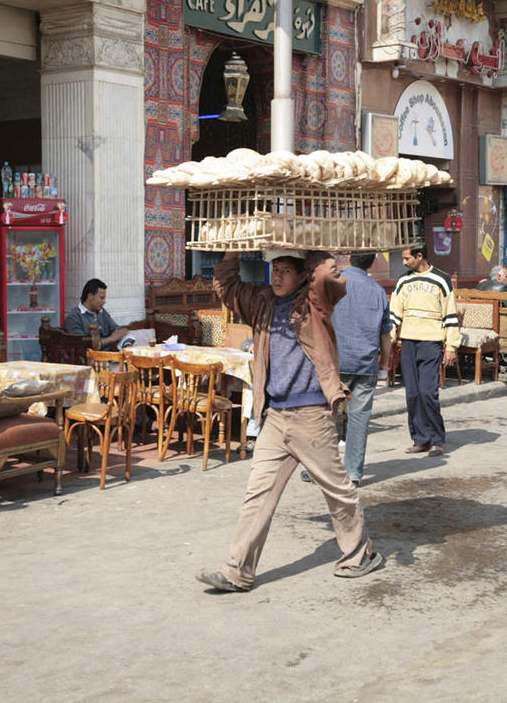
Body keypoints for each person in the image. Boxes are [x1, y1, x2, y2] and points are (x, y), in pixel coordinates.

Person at [196, 249, 383, 593]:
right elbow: (227, 285)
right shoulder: (262, 303)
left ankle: (361, 554)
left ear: (301, 276)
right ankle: (238, 571)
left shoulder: (316, 302)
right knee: (258, 494)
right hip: (275, 416)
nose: (277, 277)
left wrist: (305, 242)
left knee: (337, 490)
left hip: (311, 413)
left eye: (285, 271)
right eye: (273, 270)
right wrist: (233, 250)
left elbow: (328, 274)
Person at [389, 245, 461, 457]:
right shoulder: (403, 281)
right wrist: (389, 341)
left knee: (428, 392)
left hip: (431, 343)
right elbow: (394, 314)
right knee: (412, 393)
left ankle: (437, 439)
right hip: (409, 342)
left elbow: (450, 315)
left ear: (419, 256)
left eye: (406, 258)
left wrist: (451, 347)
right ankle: (421, 439)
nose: (404, 263)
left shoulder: (442, 279)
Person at [330, 252, 392, 486]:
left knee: (327, 417)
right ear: (373, 262)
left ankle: (321, 469)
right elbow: (385, 334)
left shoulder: (335, 284)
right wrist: (385, 366)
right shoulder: (377, 292)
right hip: (366, 364)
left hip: (335, 362)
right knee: (359, 419)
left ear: (348, 260)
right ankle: (353, 473)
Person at [65, 278, 128, 350]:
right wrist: (111, 339)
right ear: (90, 296)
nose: (104, 301)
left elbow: (117, 331)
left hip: (111, 356)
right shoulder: (73, 317)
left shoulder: (102, 312)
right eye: (101, 298)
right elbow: (83, 346)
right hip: (91, 359)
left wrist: (126, 342)